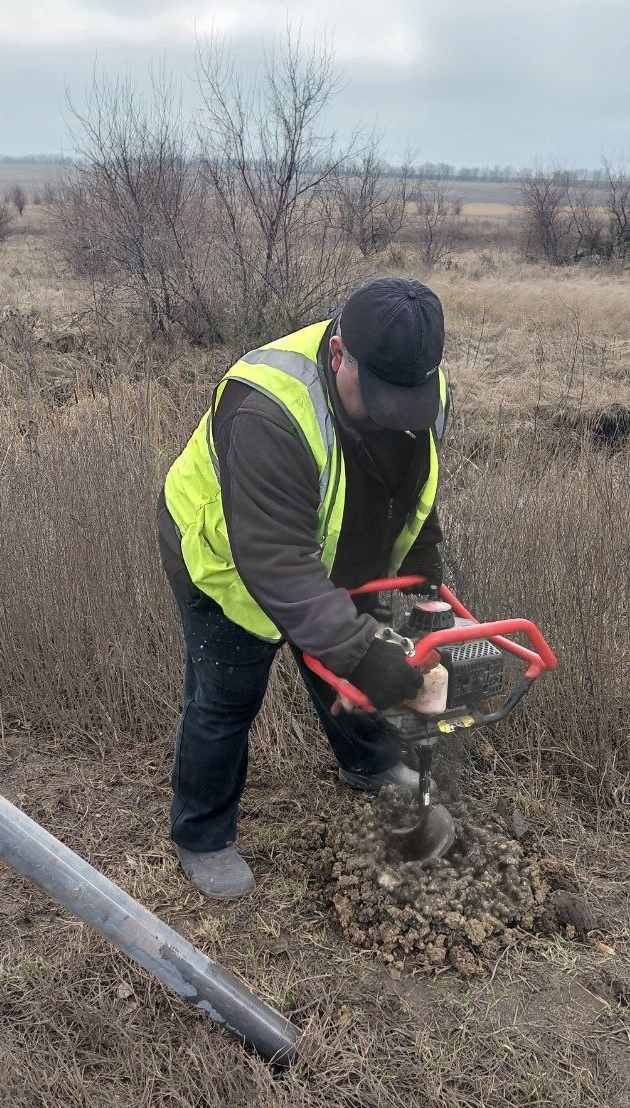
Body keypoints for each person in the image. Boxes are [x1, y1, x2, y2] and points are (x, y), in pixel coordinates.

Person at [156, 277, 450, 899]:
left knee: (345, 660)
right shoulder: (268, 406)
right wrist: (364, 653)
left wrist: (426, 577)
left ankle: (367, 766)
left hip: (333, 545)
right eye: (376, 400)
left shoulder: (416, 385)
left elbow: (412, 487)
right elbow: (276, 562)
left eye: (405, 402)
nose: (388, 415)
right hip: (227, 557)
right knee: (227, 695)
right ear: (339, 352)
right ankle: (202, 835)